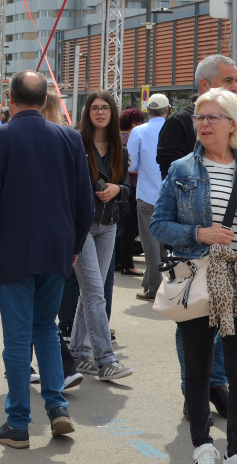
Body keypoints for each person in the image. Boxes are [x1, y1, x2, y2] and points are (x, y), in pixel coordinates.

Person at [150, 88, 237, 464]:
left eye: (212, 117)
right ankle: (202, 445)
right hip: (200, 278)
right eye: (199, 118)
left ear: (232, 125)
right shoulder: (181, 170)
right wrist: (198, 232)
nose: (203, 124)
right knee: (199, 367)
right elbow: (159, 224)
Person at [0, 71, 94, 448]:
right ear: (44, 100)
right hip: (56, 248)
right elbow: (83, 203)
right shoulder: (70, 138)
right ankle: (57, 407)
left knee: (18, 338)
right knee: (46, 329)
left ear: (10, 98)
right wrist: (73, 244)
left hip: (13, 252)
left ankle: (18, 422)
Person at [69, 91, 133, 381]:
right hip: (82, 227)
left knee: (90, 292)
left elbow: (126, 186)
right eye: (94, 108)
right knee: (95, 291)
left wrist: (118, 190)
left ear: (112, 112)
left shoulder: (119, 145)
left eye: (105, 108)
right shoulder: (76, 141)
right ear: (88, 112)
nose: (99, 112)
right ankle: (105, 360)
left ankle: (79, 354)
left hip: (108, 227)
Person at [157, 55, 237, 178]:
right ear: (204, 85)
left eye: (236, 80)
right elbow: (172, 182)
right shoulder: (178, 122)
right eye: (228, 80)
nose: (236, 88)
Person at [128, 93, 170, 301]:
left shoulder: (139, 131)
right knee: (162, 245)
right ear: (167, 110)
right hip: (170, 195)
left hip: (146, 195)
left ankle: (154, 289)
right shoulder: (175, 129)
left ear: (148, 110)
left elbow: (131, 165)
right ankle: (156, 284)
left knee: (150, 244)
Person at [116, 107, 145, 276]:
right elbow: (130, 166)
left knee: (123, 225)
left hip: (121, 186)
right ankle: (127, 263)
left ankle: (120, 261)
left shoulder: (118, 137)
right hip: (131, 185)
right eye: (137, 122)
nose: (140, 125)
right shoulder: (128, 138)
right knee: (131, 225)